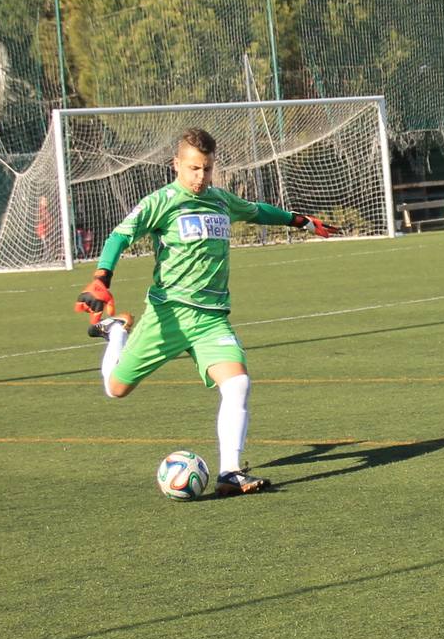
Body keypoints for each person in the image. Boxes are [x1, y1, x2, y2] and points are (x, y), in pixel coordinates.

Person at [75, 127, 340, 495]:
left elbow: (257, 212)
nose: (201, 177)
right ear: (177, 165)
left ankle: (230, 472)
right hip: (167, 316)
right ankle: (117, 330)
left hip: (210, 318)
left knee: (238, 383)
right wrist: (101, 278)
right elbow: (120, 235)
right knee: (115, 389)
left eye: (207, 169)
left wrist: (301, 221)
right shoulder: (161, 201)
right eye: (194, 168)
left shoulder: (219, 200)